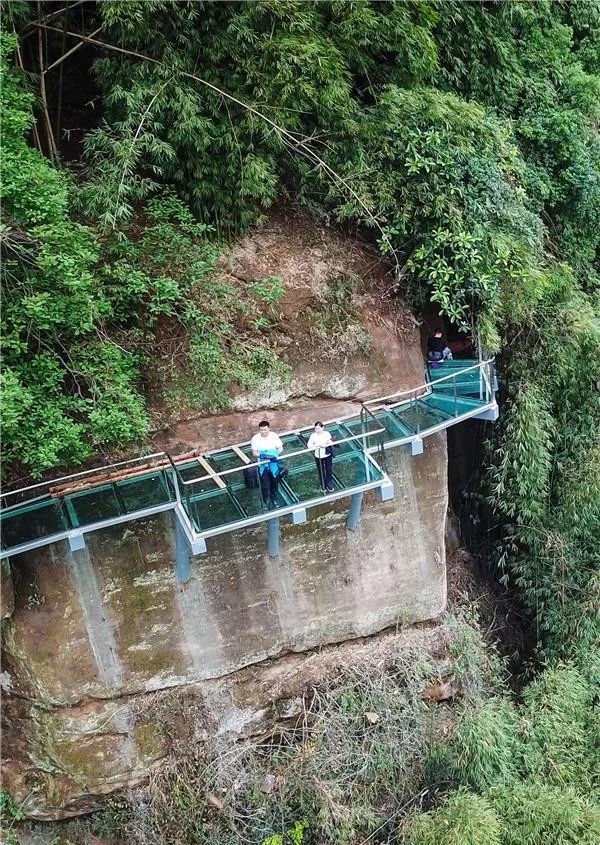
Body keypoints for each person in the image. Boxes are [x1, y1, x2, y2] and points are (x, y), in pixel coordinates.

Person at [250, 420, 284, 508]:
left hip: (273, 464)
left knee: (274, 483)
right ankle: (265, 502)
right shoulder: (255, 438)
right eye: (261, 430)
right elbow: (254, 452)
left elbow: (280, 449)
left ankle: (274, 499)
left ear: (269, 428)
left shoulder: (274, 436)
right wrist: (262, 455)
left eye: (265, 430)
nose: (263, 432)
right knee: (265, 485)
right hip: (262, 464)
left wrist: (274, 455)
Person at [307, 421, 335, 493]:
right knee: (321, 470)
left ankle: (329, 483)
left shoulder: (326, 433)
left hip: (327, 454)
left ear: (322, 428)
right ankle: (323, 484)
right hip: (318, 456)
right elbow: (309, 445)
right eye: (316, 428)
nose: (317, 430)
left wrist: (326, 444)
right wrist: (317, 446)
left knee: (329, 469)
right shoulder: (313, 435)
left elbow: (330, 442)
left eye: (319, 428)